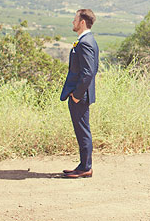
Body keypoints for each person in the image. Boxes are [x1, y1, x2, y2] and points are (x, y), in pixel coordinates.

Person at [60, 9, 99, 178]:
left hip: (80, 97)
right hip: (79, 95)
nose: (72, 22)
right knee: (81, 130)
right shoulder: (86, 40)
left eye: (75, 19)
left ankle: (85, 167)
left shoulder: (85, 43)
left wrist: (76, 95)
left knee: (83, 131)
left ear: (82, 22)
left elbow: (89, 72)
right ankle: (83, 165)